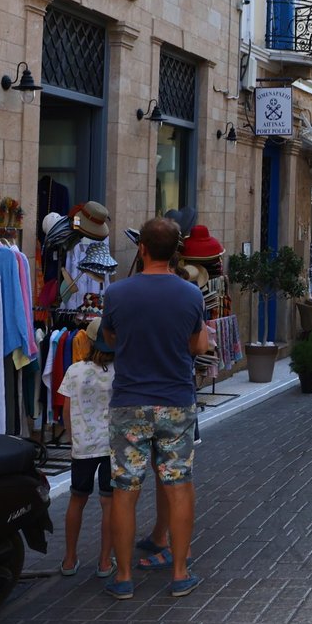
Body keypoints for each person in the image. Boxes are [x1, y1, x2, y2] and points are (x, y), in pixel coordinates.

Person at [101, 216, 212, 599]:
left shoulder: (117, 294)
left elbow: (111, 338)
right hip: (176, 402)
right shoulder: (191, 295)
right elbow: (198, 347)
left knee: (125, 488)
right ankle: (180, 573)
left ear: (142, 248)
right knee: (178, 483)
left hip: (129, 402)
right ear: (175, 251)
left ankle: (124, 577)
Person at [57, 319, 116, 579]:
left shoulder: (74, 371)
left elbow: (67, 409)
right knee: (109, 502)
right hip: (111, 445)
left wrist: (72, 438)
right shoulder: (121, 371)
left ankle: (69, 559)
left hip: (82, 445)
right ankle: (104, 562)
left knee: (77, 499)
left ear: (89, 341)